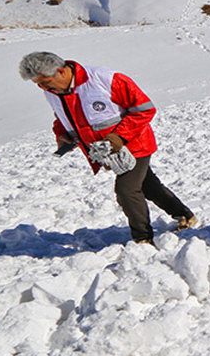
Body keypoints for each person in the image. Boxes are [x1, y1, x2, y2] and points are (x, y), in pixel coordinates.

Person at [19, 52, 195, 244]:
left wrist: (118, 138)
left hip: (134, 144)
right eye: (37, 84)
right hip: (109, 152)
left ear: (60, 71)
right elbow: (63, 116)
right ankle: (184, 214)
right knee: (148, 186)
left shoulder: (104, 79)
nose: (43, 88)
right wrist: (62, 135)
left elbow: (144, 108)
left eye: (44, 82)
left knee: (127, 190)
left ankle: (142, 239)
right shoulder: (53, 92)